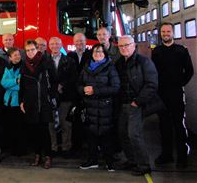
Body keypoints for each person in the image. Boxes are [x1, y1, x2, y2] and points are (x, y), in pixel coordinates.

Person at [115, 35, 159, 176]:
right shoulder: (119, 63)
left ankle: (144, 165)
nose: (124, 48)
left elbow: (152, 85)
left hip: (136, 104)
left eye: (127, 45)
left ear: (134, 45)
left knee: (134, 134)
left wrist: (138, 101)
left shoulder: (144, 62)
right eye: (121, 46)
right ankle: (132, 160)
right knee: (122, 134)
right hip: (123, 105)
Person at [152, 22, 194, 168]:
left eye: (168, 31)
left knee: (179, 126)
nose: (165, 34)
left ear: (173, 32)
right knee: (164, 125)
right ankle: (166, 155)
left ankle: (182, 157)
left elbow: (189, 71)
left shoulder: (181, 50)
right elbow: (153, 73)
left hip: (176, 94)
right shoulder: (156, 51)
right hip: (161, 95)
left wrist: (179, 83)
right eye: (163, 32)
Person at [77, 44, 120, 172]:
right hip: (89, 107)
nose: (98, 53)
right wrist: (82, 89)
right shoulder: (86, 68)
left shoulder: (110, 68)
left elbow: (115, 87)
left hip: (104, 107)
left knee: (106, 136)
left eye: (101, 52)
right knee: (91, 136)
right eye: (95, 51)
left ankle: (109, 162)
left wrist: (95, 90)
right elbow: (78, 84)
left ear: (105, 54)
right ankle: (92, 160)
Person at [19, 40, 54, 169]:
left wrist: (51, 97)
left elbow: (54, 81)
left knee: (45, 132)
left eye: (32, 49)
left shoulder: (46, 62)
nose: (30, 52)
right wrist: (21, 101)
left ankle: (48, 157)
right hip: (30, 103)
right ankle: (37, 155)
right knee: (34, 132)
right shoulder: (24, 65)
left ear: (37, 49)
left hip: (43, 103)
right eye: (27, 50)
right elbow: (22, 86)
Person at [48, 37, 77, 158]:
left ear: (61, 45)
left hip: (65, 97)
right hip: (50, 97)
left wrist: (62, 85)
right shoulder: (44, 60)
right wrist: (53, 88)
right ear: (49, 46)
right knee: (51, 124)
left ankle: (66, 148)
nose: (55, 46)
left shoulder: (69, 61)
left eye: (57, 44)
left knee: (66, 124)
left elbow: (74, 77)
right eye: (52, 44)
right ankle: (53, 148)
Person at [67, 33, 92, 153]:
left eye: (81, 41)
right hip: (74, 92)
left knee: (89, 119)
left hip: (87, 91)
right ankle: (76, 146)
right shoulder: (69, 55)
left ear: (85, 42)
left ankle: (89, 145)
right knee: (75, 119)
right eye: (77, 41)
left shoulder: (91, 55)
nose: (79, 43)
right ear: (73, 42)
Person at [0, 47, 25, 156]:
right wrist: (15, 81)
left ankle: (20, 149)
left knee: (20, 127)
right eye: (14, 55)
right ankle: (12, 148)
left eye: (18, 54)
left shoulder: (24, 68)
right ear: (10, 57)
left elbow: (22, 86)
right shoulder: (8, 68)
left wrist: (11, 85)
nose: (17, 57)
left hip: (19, 102)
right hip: (8, 102)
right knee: (10, 127)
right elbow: (3, 83)